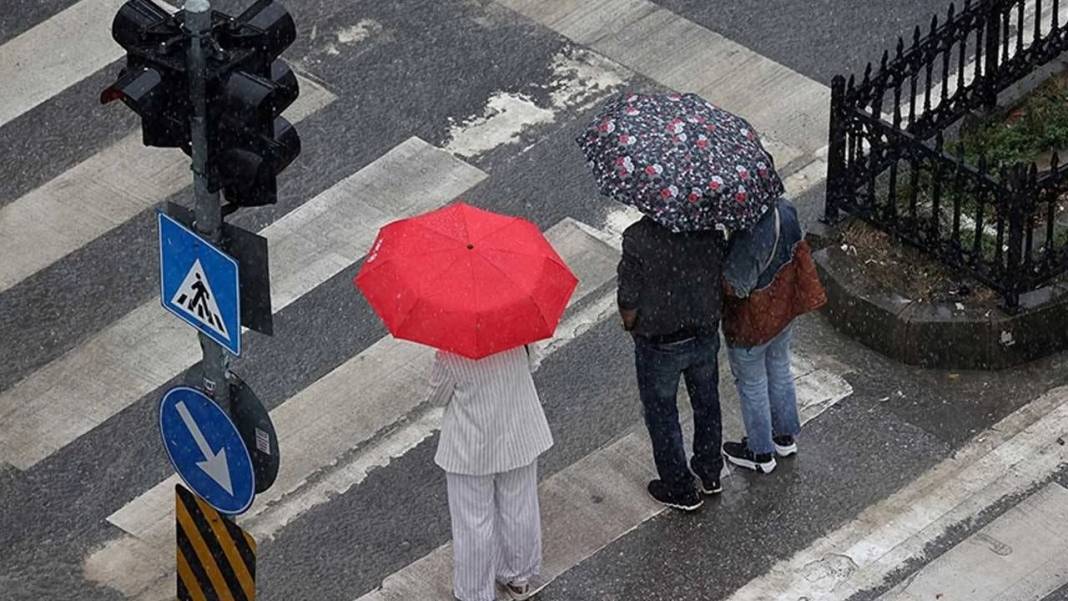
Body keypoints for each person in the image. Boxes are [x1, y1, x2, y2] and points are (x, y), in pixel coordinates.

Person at [427, 345, 553, 601]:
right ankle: (519, 578)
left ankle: (475, 592)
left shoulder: (451, 352)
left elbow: (436, 396)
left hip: (471, 446)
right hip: (519, 432)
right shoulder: (518, 333)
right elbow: (533, 363)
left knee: (472, 521)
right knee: (520, 508)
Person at [617, 216, 726, 512]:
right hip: (703, 333)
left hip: (660, 341)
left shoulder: (638, 238)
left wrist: (633, 325)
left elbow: (628, 298)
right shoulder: (707, 228)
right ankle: (710, 472)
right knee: (706, 403)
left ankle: (679, 488)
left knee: (662, 414)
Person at [720, 198, 827, 474]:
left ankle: (760, 452)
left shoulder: (752, 232)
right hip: (781, 310)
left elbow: (736, 286)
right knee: (779, 369)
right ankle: (784, 437)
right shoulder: (786, 210)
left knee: (752, 383)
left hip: (753, 322)